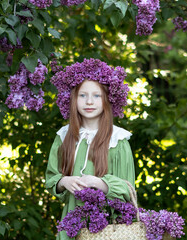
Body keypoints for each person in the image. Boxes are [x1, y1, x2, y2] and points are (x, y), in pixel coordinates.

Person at [45, 58, 135, 240]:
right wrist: (64, 182)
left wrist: (100, 183)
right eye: (82, 95)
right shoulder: (64, 137)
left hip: (109, 228)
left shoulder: (118, 140)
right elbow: (51, 177)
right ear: (73, 99)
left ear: (107, 100)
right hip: (71, 226)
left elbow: (128, 188)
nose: (89, 102)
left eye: (96, 96)